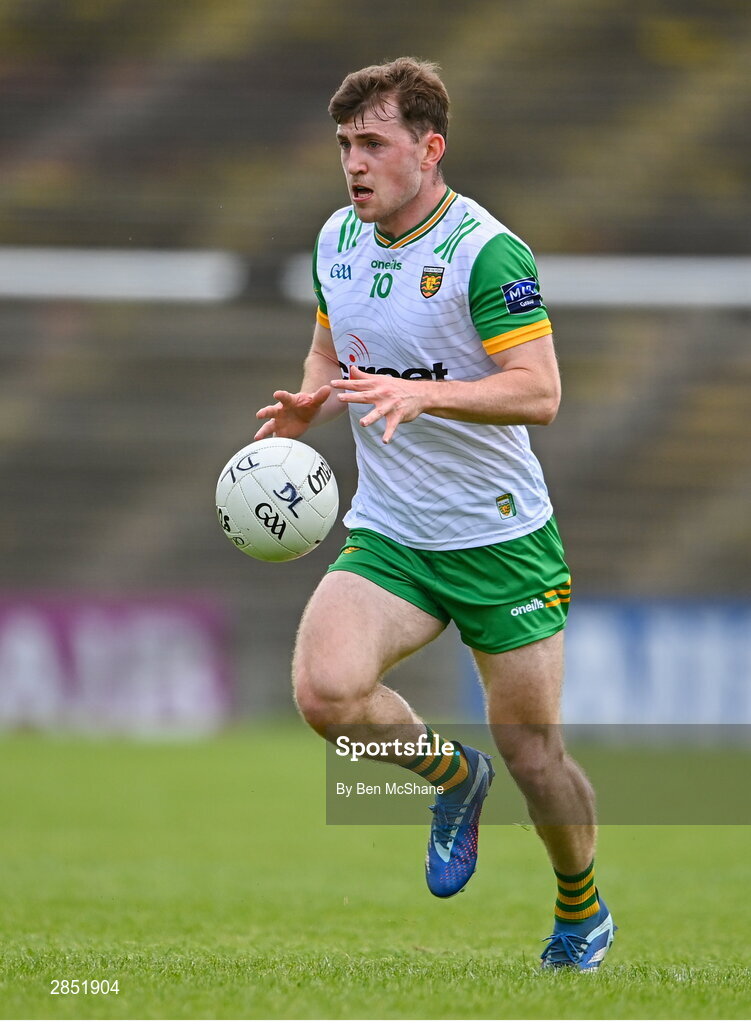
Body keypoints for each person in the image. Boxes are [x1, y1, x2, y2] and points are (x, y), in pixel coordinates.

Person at [255, 57, 615, 971]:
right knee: (324, 693)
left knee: (536, 759)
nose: (354, 163)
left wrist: (429, 396)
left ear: (429, 147)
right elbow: (330, 339)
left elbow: (538, 393)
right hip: (392, 534)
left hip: (501, 540)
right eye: (344, 144)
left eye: (372, 143)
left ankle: (581, 911)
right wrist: (310, 403)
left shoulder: (485, 252)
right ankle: (452, 780)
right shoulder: (337, 237)